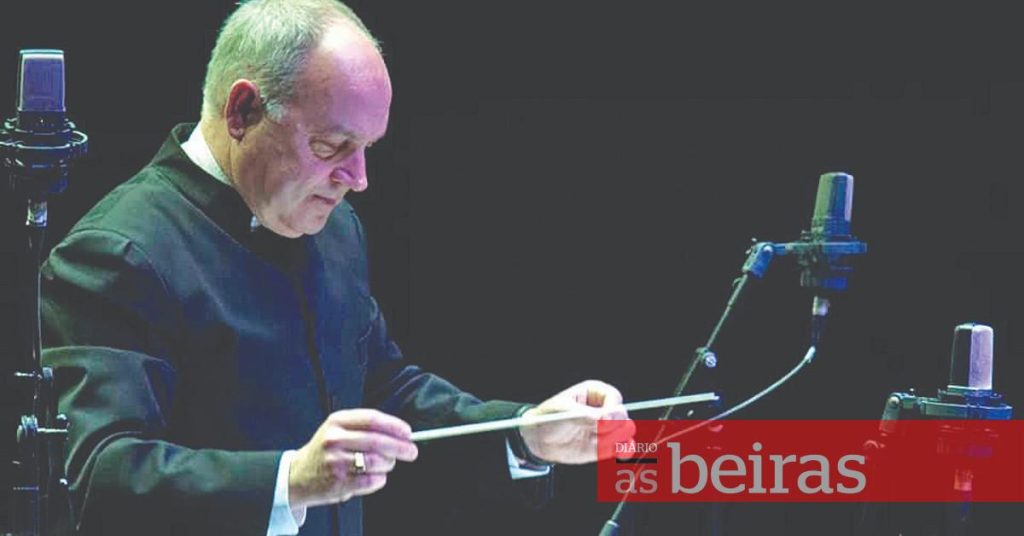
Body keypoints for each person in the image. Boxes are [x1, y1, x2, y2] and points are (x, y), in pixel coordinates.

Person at [39, 1, 632, 535]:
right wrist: (291, 479)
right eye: (331, 146)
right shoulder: (116, 254)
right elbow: (98, 477)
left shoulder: (336, 229)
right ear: (242, 110)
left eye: (368, 148)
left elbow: (382, 389)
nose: (359, 179)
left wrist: (523, 433)